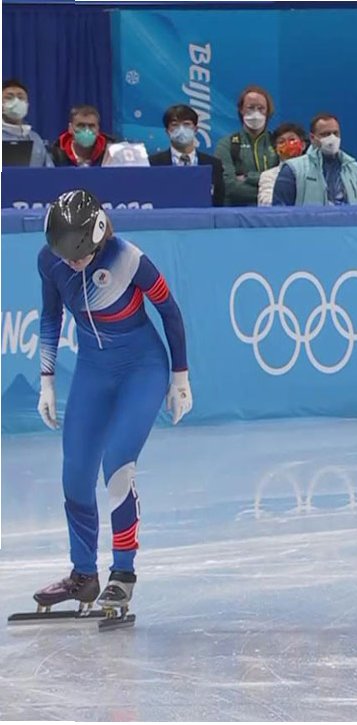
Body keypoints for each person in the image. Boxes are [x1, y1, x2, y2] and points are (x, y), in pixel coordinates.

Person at [31, 189, 192, 617]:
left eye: (81, 255)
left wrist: (180, 377)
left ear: (100, 238)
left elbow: (170, 311)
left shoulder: (129, 259)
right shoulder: (50, 261)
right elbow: (50, 315)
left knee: (117, 465)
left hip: (142, 369)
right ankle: (83, 576)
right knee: (75, 474)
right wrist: (47, 380)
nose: (73, 263)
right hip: (93, 372)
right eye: (65, 256)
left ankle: (123, 574)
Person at [272, 113, 357, 206]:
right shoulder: (293, 169)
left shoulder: (354, 168)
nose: (332, 138)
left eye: (335, 133)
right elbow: (280, 211)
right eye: (325, 134)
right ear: (312, 138)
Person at [147, 104, 225, 206]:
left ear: (195, 129)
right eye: (175, 125)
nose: (181, 129)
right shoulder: (153, 163)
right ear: (167, 131)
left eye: (187, 124)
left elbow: (218, 201)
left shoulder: (213, 164)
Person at [213, 85, 278, 206]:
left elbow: (285, 182)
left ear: (268, 111)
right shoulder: (226, 144)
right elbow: (228, 186)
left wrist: (248, 177)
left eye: (261, 108)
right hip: (237, 212)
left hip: (274, 213)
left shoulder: (277, 142)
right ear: (241, 110)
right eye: (250, 108)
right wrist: (268, 191)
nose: (255, 113)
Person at [2, 78, 53, 167]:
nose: (16, 102)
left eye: (21, 97)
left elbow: (50, 171)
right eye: (9, 97)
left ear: (27, 104)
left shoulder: (35, 139)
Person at [257, 123, 307, 206]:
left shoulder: (314, 171)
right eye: (281, 142)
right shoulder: (268, 176)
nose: (287, 144)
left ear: (303, 145)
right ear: (276, 149)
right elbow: (266, 203)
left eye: (292, 139)